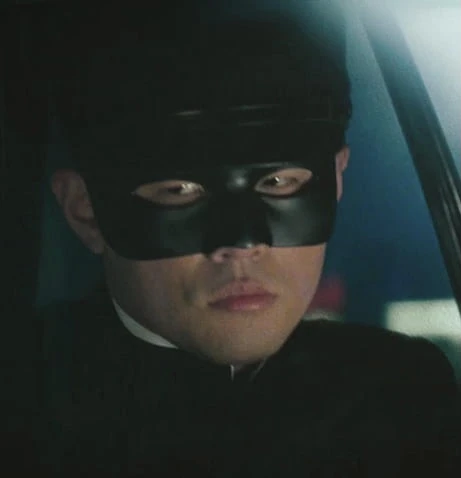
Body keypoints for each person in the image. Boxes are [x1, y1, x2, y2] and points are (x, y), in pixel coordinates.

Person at [31, 0, 459, 476]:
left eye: (279, 182)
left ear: (337, 178)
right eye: (179, 190)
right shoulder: (25, 407)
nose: (241, 242)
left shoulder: (404, 398)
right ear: (85, 210)